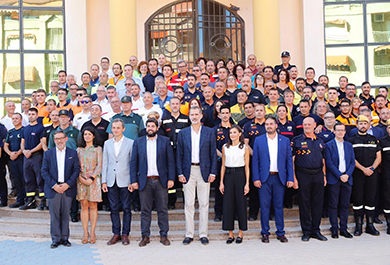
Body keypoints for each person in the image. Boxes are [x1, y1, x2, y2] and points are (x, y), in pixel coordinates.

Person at [130, 118, 175, 247]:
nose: (150, 128)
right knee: (145, 210)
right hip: (145, 181)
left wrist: (171, 179)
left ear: (157, 128)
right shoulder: (138, 142)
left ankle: (164, 235)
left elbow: (170, 162)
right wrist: (134, 181)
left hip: (161, 180)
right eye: (148, 126)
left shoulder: (165, 141)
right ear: (146, 128)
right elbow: (133, 163)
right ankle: (145, 236)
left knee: (162, 209)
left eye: (152, 126)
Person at [177, 106, 217, 245]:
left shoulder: (209, 132)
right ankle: (189, 234)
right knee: (188, 204)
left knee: (204, 203)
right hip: (188, 171)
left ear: (201, 116)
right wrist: (180, 173)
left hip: (204, 171)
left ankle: (203, 234)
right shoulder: (183, 133)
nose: (194, 116)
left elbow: (213, 154)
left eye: (196, 114)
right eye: (191, 114)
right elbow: (179, 155)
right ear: (189, 116)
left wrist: (213, 172)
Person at [253, 115, 294, 243]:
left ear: (276, 125)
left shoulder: (285, 140)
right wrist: (256, 178)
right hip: (264, 178)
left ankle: (280, 232)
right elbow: (255, 161)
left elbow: (289, 161)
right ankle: (265, 232)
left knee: (278, 206)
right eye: (267, 124)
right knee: (264, 207)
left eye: (271, 124)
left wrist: (290, 178)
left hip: (279, 178)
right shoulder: (259, 140)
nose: (269, 126)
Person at [41, 131, 81, 249]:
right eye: (57, 139)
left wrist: (67, 184)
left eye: (61, 138)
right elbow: (44, 171)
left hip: (67, 188)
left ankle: (65, 238)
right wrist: (54, 185)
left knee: (65, 215)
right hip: (53, 189)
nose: (59, 141)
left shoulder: (72, 153)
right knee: (54, 216)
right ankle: (55, 239)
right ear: (54, 140)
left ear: (66, 139)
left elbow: (76, 170)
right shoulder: (48, 154)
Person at [292, 117, 327, 242]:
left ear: (315, 125)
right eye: (305, 124)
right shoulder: (296, 141)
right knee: (304, 204)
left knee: (318, 204)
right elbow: (292, 161)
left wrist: (324, 176)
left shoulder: (321, 140)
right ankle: (306, 231)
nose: (307, 126)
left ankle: (316, 230)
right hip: (303, 175)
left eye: (309, 124)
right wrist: (294, 178)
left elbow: (323, 160)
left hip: (318, 175)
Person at [348, 115, 381, 236]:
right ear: (357, 125)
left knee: (371, 199)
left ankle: (370, 225)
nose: (363, 125)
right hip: (358, 174)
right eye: (360, 123)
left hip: (372, 174)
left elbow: (379, 156)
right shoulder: (351, 140)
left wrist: (371, 168)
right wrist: (363, 169)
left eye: (365, 123)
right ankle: (358, 225)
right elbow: (352, 158)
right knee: (358, 199)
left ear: (368, 125)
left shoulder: (373, 139)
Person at [102, 118, 134, 246]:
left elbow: (133, 164)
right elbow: (105, 163)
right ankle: (116, 233)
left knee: (126, 208)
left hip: (125, 180)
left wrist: (132, 181)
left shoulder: (130, 143)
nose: (115, 130)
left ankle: (125, 233)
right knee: (113, 208)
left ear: (123, 129)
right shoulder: (107, 143)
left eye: (118, 128)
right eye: (113, 128)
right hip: (111, 180)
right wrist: (103, 181)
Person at [219, 125, 250, 244]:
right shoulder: (225, 147)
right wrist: (221, 182)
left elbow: (247, 167)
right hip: (228, 175)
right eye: (230, 132)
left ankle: (240, 233)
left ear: (240, 134)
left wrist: (247, 183)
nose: (232, 135)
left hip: (240, 174)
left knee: (241, 203)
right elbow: (223, 165)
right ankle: (230, 233)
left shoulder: (244, 147)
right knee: (228, 204)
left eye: (234, 132)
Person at [324, 122, 355, 239]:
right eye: (338, 130)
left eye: (342, 130)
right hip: (334, 179)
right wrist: (339, 175)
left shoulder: (349, 145)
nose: (340, 132)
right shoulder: (329, 145)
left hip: (347, 179)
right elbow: (329, 163)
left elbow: (352, 162)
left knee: (345, 204)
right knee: (333, 205)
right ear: (334, 131)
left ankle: (343, 228)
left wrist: (347, 174)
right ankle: (334, 229)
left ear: (345, 132)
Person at [160, 97, 191, 209]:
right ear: (170, 105)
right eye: (172, 104)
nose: (174, 106)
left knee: (183, 173)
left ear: (180, 105)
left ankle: (186, 201)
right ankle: (171, 202)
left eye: (176, 103)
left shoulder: (186, 119)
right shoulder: (165, 120)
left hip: (183, 151)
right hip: (169, 151)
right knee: (170, 174)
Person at [77, 128, 103, 244]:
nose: (87, 136)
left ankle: (92, 232)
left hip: (94, 180)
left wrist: (92, 178)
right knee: (84, 205)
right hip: (81, 180)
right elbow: (75, 166)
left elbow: (100, 164)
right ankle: (85, 232)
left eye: (89, 134)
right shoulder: (79, 150)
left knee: (93, 205)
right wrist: (80, 178)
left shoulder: (98, 149)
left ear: (93, 136)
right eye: (85, 134)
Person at [20, 108, 46, 210]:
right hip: (26, 157)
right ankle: (30, 201)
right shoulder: (25, 129)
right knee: (28, 179)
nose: (31, 116)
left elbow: (42, 143)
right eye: (29, 114)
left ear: (37, 115)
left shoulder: (41, 128)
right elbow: (22, 143)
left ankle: (43, 201)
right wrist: (24, 151)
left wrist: (31, 151)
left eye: (33, 114)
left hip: (37, 156)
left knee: (40, 179)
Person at [4, 113, 25, 208]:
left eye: (17, 118)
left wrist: (17, 153)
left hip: (22, 158)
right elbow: (6, 145)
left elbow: (25, 144)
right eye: (13, 119)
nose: (15, 120)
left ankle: (28, 199)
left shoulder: (24, 130)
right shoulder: (10, 132)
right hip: (12, 159)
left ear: (21, 120)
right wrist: (10, 154)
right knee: (16, 180)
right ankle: (19, 200)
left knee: (25, 179)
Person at [379, 119, 390, 234]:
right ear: (387, 129)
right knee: (388, 199)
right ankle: (389, 223)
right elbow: (379, 158)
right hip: (387, 175)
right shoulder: (382, 141)